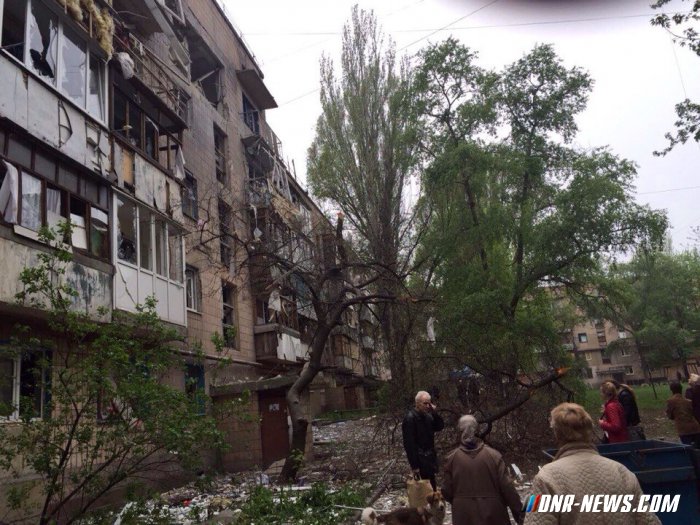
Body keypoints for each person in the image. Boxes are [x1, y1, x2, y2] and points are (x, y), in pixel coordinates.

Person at [524, 403, 661, 524]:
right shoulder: (622, 471)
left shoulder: (546, 478)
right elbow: (649, 521)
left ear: (557, 434)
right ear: (589, 430)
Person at [441, 415, 522, 525]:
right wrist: (520, 517)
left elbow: (446, 491)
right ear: (477, 431)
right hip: (494, 515)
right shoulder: (494, 456)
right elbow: (508, 489)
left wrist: (461, 501)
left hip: (464, 516)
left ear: (459, 432)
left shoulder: (451, 459)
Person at [402, 390, 444, 490]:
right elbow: (409, 444)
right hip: (419, 458)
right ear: (417, 403)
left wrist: (434, 413)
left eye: (429, 403)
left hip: (429, 457)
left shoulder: (428, 416)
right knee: (423, 489)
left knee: (432, 486)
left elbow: (439, 427)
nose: (427, 406)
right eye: (425, 403)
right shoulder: (410, 419)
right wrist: (414, 466)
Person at [666, 381, 700, 448]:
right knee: (697, 449)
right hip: (696, 428)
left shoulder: (671, 401)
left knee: (688, 449)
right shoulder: (688, 401)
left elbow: (670, 416)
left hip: (684, 430)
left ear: (671, 390)